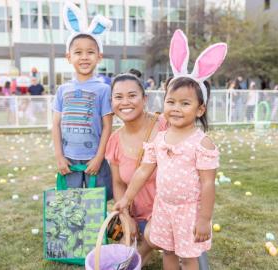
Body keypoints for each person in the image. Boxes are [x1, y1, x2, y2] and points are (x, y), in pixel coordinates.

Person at [114, 30, 226, 270]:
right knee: (168, 252)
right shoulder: (160, 138)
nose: (176, 108)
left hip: (189, 211)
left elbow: (207, 184)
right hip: (163, 207)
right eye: (171, 102)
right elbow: (143, 171)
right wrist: (126, 199)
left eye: (185, 103)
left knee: (188, 257)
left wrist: (204, 219)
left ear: (200, 109)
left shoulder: (201, 143)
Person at [52, 1, 113, 199]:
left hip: (94, 160)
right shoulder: (62, 90)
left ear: (99, 57)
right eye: (78, 52)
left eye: (90, 52)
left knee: (96, 203)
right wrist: (60, 157)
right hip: (69, 161)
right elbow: (56, 125)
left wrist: (99, 158)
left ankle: (99, 232)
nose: (84, 57)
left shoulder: (104, 90)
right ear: (68, 57)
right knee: (71, 204)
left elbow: (107, 127)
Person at [105, 73, 168, 266]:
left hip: (168, 210)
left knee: (147, 241)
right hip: (137, 212)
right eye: (118, 97)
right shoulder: (114, 140)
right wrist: (126, 217)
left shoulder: (165, 126)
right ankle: (138, 253)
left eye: (132, 95)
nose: (125, 102)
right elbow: (117, 183)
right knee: (124, 240)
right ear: (112, 102)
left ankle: (134, 258)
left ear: (144, 99)